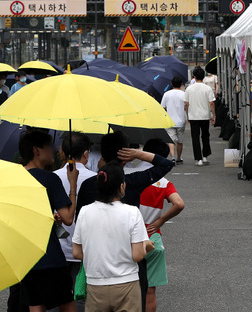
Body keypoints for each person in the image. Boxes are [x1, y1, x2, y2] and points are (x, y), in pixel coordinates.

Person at [76, 131, 175, 311]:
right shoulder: (133, 183)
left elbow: (78, 244)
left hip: (96, 272)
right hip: (129, 273)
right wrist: (138, 153)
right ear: (125, 157)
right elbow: (166, 164)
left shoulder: (87, 187)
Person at [73, 162, 155, 312]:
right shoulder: (132, 212)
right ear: (121, 186)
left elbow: (77, 253)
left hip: (95, 284)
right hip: (126, 284)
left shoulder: (85, 212)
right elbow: (137, 255)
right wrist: (146, 245)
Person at [11, 131, 78, 312]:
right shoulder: (50, 179)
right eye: (49, 146)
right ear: (36, 150)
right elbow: (68, 218)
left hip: (25, 256)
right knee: (67, 305)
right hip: (50, 255)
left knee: (36, 306)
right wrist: (73, 183)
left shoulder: (13, 178)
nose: (55, 150)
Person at [135, 139, 185, 312]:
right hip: (151, 236)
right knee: (150, 291)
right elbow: (179, 204)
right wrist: (160, 221)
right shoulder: (163, 183)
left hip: (129, 237)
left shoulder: (127, 173)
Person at [52, 132, 96, 311]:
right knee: (81, 296)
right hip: (85, 248)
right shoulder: (96, 178)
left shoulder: (52, 177)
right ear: (86, 154)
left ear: (62, 153)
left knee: (57, 297)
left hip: (58, 246)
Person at [185, 67, 216, 166]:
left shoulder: (189, 88)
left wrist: (187, 115)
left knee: (195, 137)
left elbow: (186, 104)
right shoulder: (208, 88)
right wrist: (214, 115)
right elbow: (211, 103)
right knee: (205, 136)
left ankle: (198, 159)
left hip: (193, 116)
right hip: (205, 116)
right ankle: (205, 156)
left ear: (194, 77)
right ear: (204, 77)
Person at [161, 76, 186, 163]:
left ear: (171, 84)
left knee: (171, 140)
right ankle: (179, 157)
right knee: (180, 141)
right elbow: (186, 106)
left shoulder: (166, 94)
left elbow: (162, 107)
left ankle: (172, 157)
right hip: (181, 120)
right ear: (181, 84)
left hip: (169, 120)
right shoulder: (184, 94)